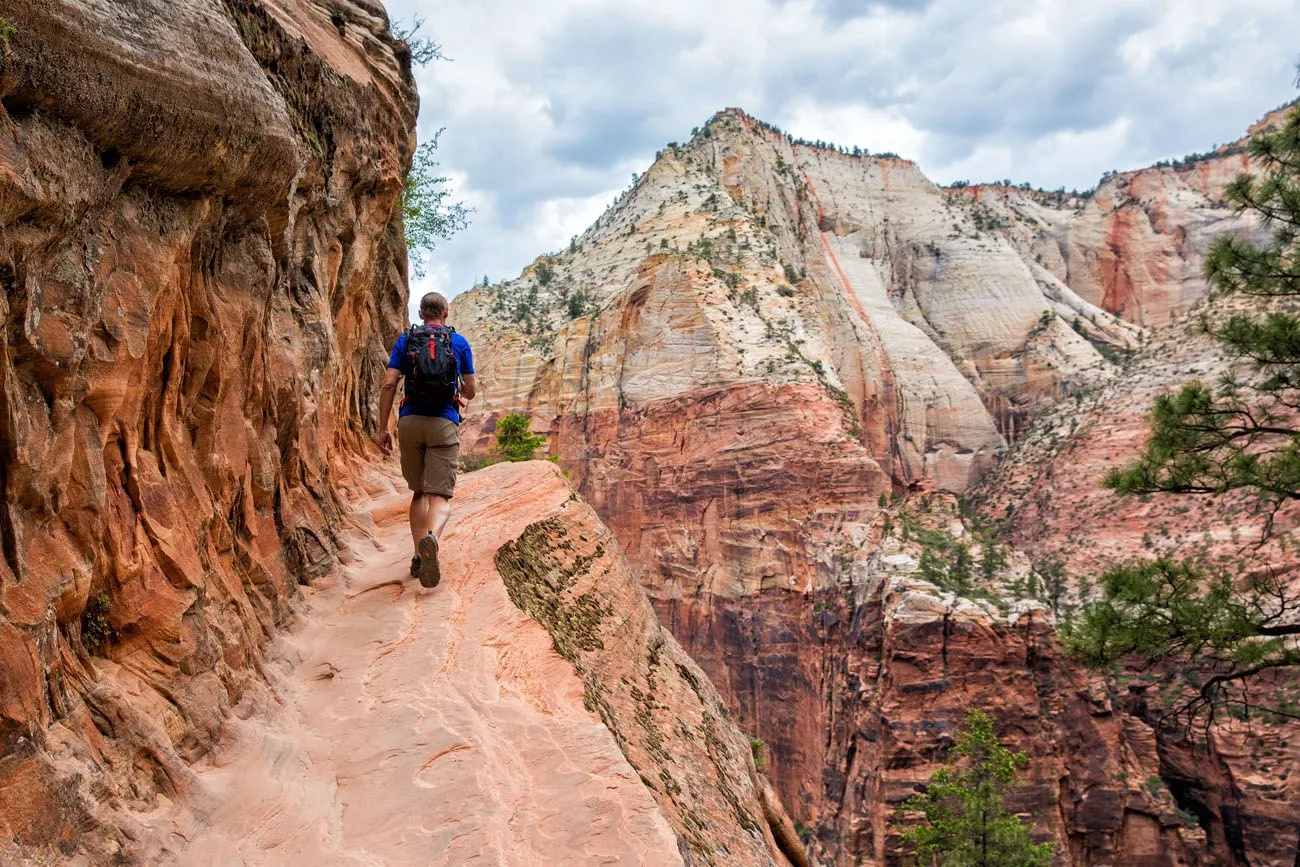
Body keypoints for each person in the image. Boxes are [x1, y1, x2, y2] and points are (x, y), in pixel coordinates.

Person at [376, 292, 476, 587]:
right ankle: (432, 537)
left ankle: (419, 554)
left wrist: (383, 427)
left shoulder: (406, 340)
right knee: (439, 496)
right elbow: (471, 389)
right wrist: (460, 391)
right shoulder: (458, 343)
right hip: (444, 422)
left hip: (410, 422)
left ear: (420, 314)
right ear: (446, 312)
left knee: (418, 493)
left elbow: (388, 383)